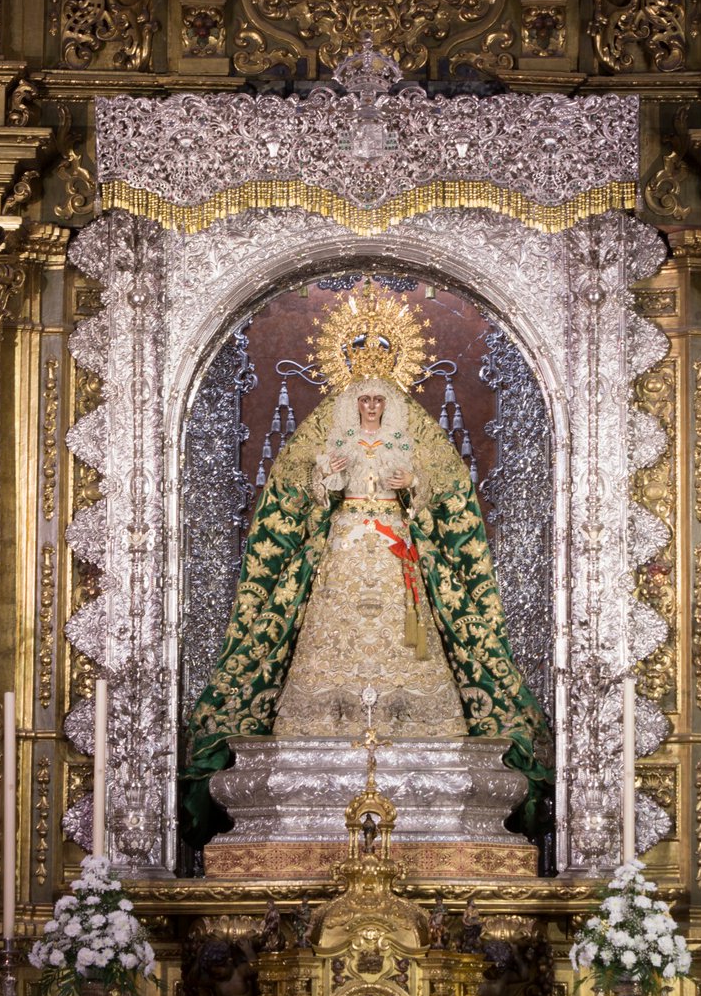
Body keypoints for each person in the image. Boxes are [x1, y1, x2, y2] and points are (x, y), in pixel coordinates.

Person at [180, 284, 552, 847]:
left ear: (390, 403)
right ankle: (324, 713)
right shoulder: (331, 435)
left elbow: (447, 494)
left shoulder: (413, 437)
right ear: (354, 402)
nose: (371, 408)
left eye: (379, 401)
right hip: (348, 541)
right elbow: (303, 494)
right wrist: (325, 477)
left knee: (406, 627)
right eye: (365, 401)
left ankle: (414, 715)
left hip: (394, 542)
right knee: (334, 626)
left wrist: (415, 485)